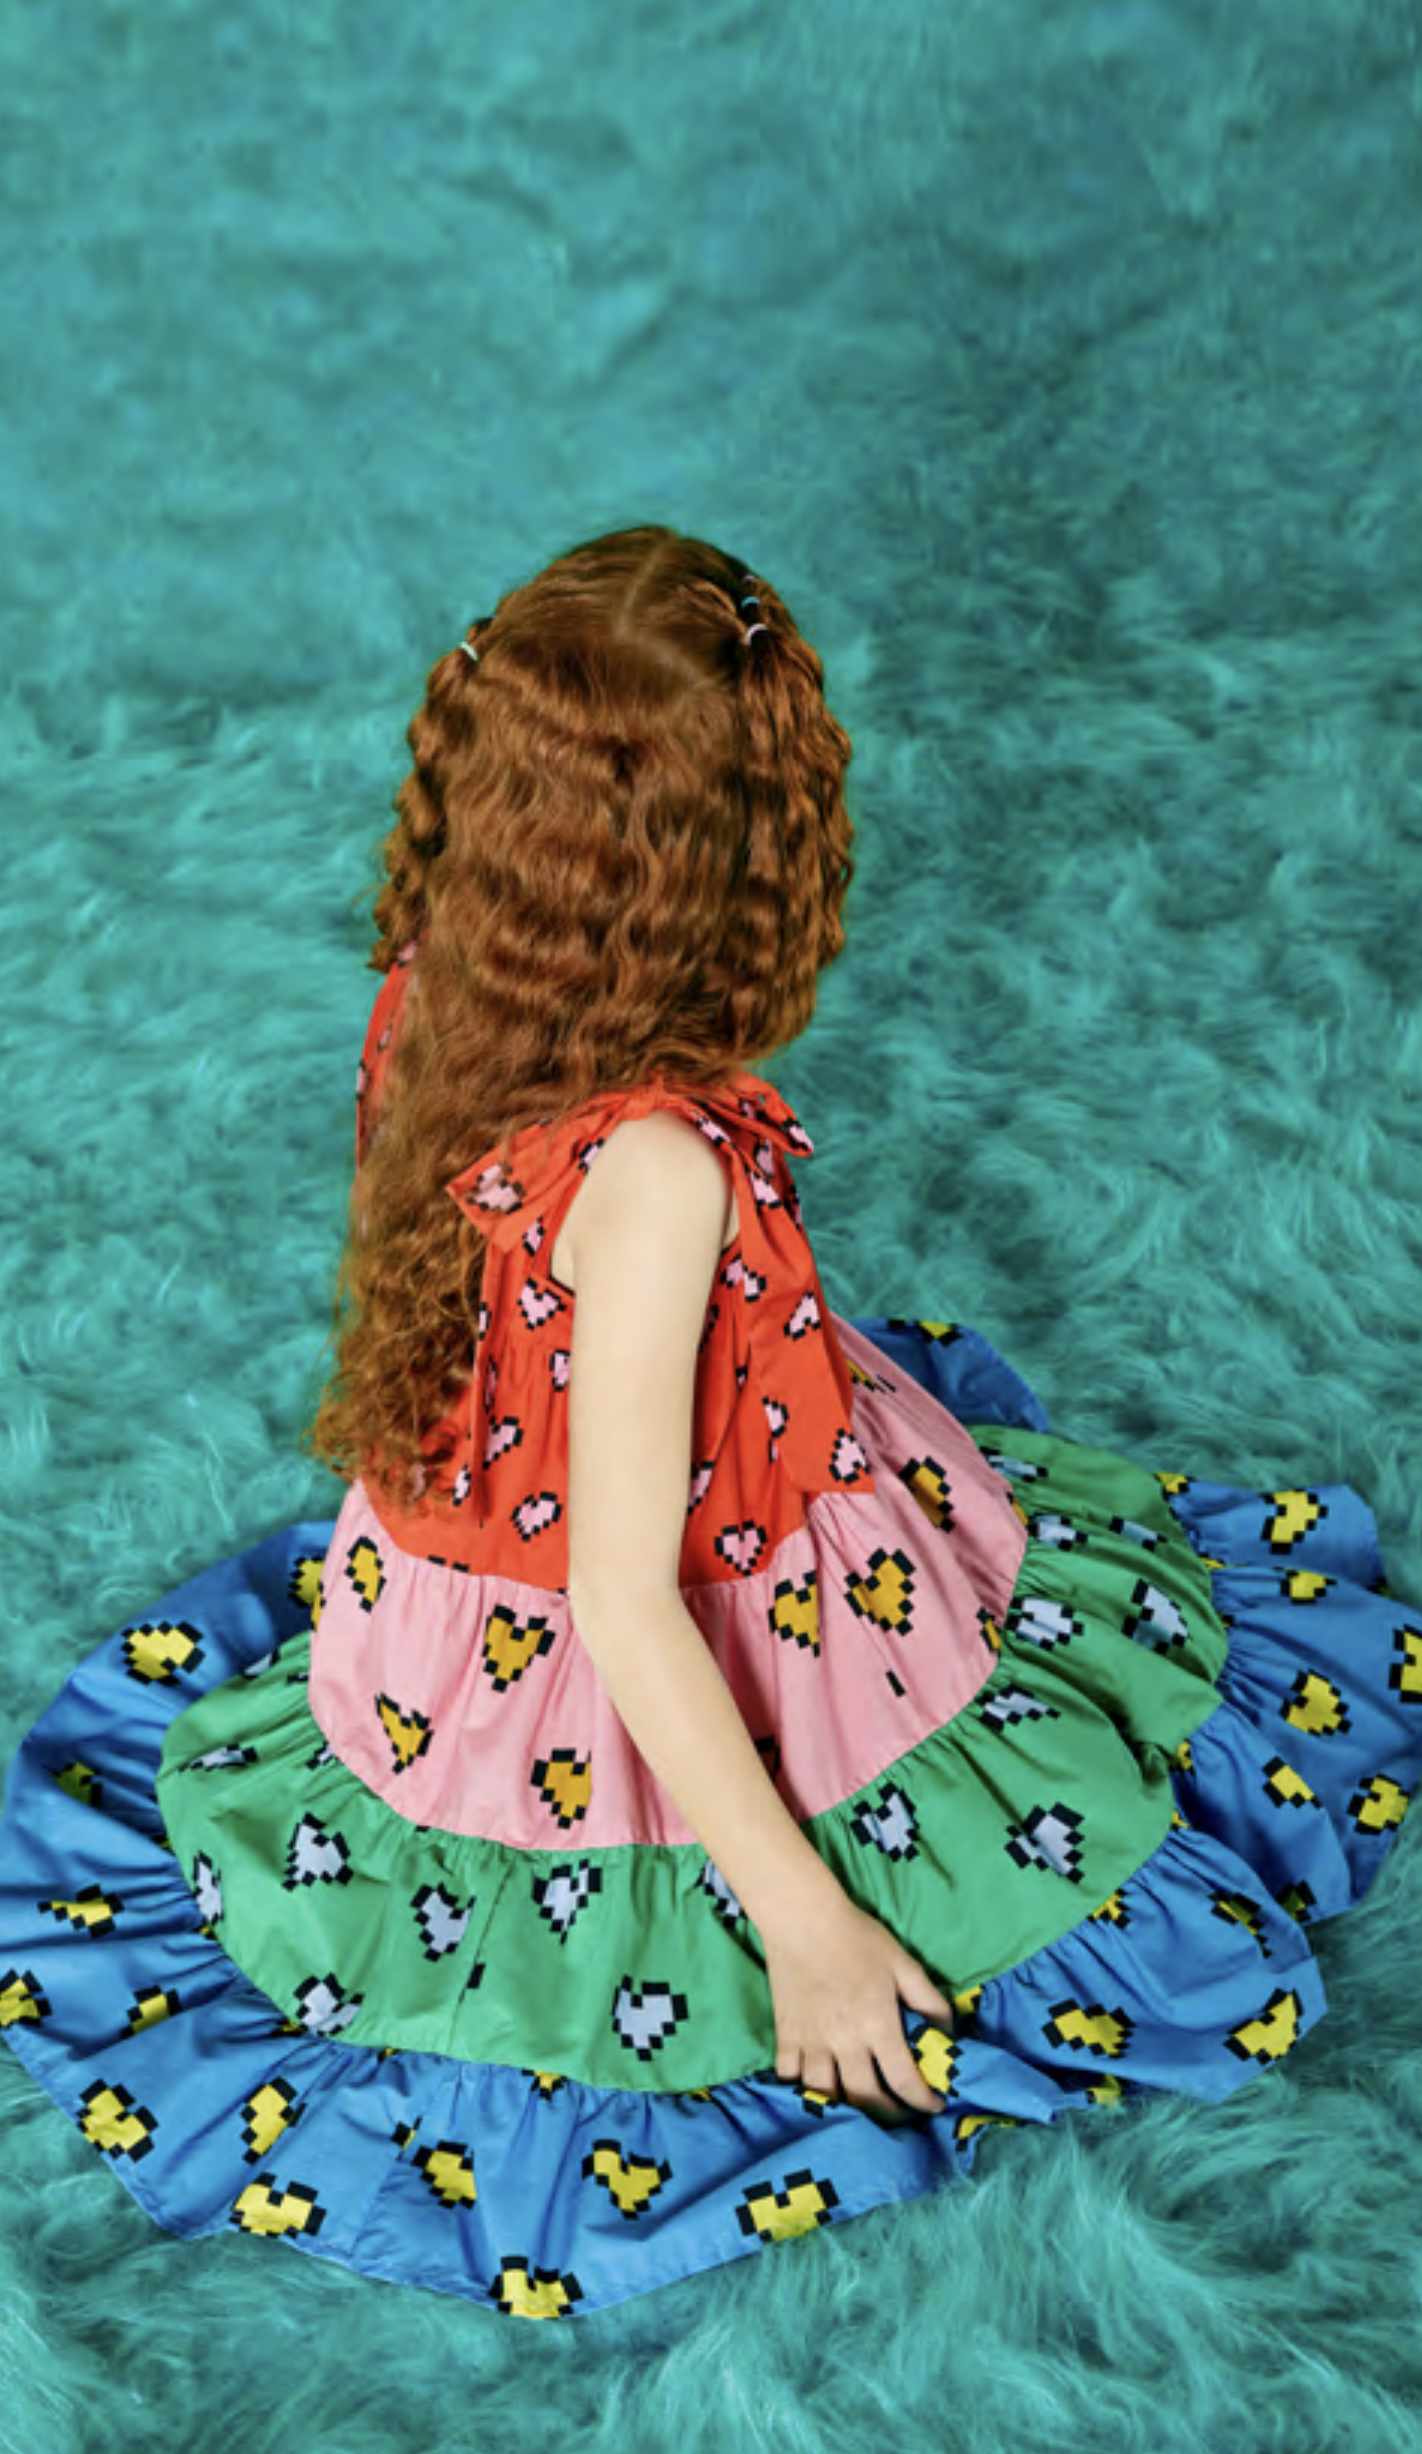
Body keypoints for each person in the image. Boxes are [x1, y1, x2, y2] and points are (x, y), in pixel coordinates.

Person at [2, 523, 1418, 2324]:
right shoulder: (659, 1169)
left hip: (447, 1581)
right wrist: (809, 1930)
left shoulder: (435, 971)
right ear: (736, 847)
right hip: (623, 1628)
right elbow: (621, 1597)